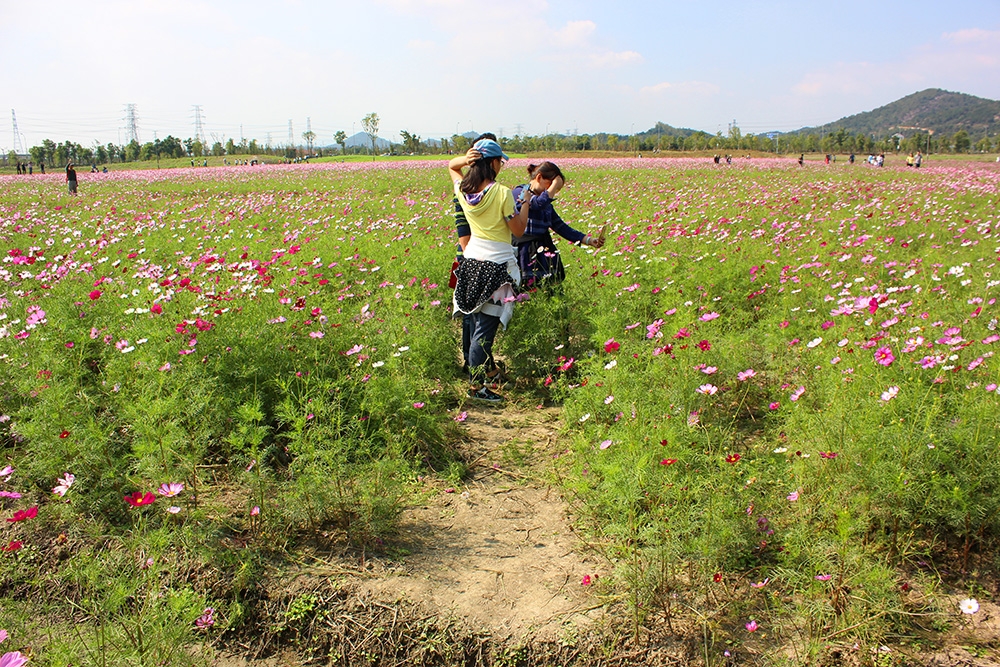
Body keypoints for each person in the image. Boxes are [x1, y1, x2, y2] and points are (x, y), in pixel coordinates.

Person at [449, 138, 531, 403]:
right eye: (500, 161)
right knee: (484, 333)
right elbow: (518, 229)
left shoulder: (463, 189)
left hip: (471, 262)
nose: (501, 165)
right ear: (493, 162)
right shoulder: (502, 193)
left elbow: (451, 166)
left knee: (475, 328)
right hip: (497, 267)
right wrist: (526, 203)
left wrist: (465, 159)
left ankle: (478, 382)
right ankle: (476, 388)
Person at [510, 162, 604, 289]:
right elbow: (538, 204)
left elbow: (561, 227)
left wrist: (588, 240)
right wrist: (554, 185)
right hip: (524, 251)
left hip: (543, 251)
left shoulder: (546, 203)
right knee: (525, 289)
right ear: (539, 177)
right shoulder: (521, 192)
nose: (552, 192)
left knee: (549, 289)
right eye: (550, 186)